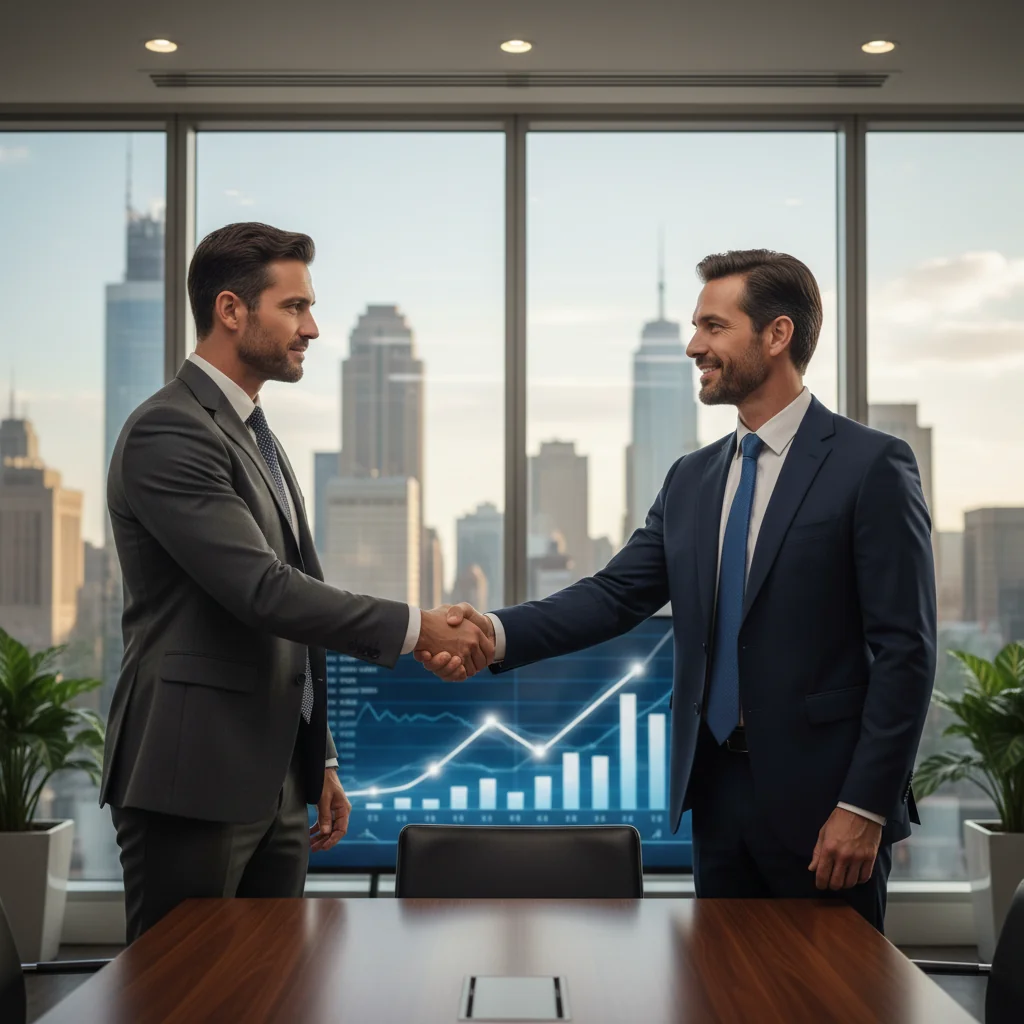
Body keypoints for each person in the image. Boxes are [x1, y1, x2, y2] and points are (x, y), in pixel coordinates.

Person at [421, 249, 936, 930]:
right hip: (716, 792)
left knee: (832, 1000)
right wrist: (494, 633)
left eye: (714, 327)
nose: (695, 345)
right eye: (697, 327)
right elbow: (614, 595)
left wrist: (865, 806)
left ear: (777, 335)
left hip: (826, 808)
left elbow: (906, 651)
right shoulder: (690, 479)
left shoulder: (871, 465)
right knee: (722, 994)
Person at [101, 221, 492, 941]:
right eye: (295, 307)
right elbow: (264, 591)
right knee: (181, 995)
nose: (312, 327)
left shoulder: (257, 435)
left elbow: (290, 600)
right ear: (230, 310)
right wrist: (418, 628)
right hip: (195, 774)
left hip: (274, 775)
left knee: (269, 988)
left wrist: (321, 757)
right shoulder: (171, 431)